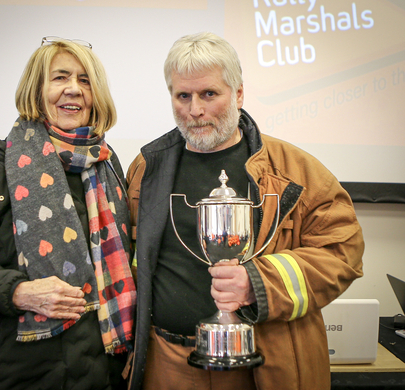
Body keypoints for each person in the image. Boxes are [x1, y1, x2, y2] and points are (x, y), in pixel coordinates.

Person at [126, 32, 364, 390]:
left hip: (262, 367)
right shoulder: (145, 168)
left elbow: (343, 253)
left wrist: (257, 283)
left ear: (238, 93)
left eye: (209, 94)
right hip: (165, 362)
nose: (195, 110)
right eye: (183, 96)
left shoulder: (297, 172)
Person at [0, 37, 136, 390]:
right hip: (20, 372)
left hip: (104, 370)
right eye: (60, 78)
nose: (74, 90)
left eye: (85, 80)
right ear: (35, 90)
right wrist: (19, 291)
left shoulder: (107, 165)